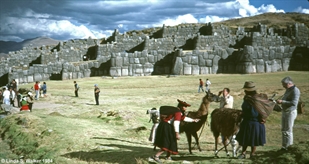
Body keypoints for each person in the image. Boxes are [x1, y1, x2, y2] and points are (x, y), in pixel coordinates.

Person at [236, 81, 275, 159]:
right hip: (247, 121)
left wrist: (263, 118)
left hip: (255, 122)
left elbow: (260, 110)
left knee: (254, 139)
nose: (244, 91)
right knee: (245, 139)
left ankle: (252, 154)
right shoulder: (247, 98)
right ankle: (243, 153)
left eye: (245, 90)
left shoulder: (257, 99)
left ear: (248, 90)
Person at [276, 76, 300, 151]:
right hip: (285, 111)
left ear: (289, 83)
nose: (283, 86)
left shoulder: (295, 91)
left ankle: (289, 147)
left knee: (288, 131)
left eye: (284, 84)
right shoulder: (288, 89)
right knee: (284, 130)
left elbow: (294, 103)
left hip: (290, 112)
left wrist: (282, 102)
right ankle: (284, 147)